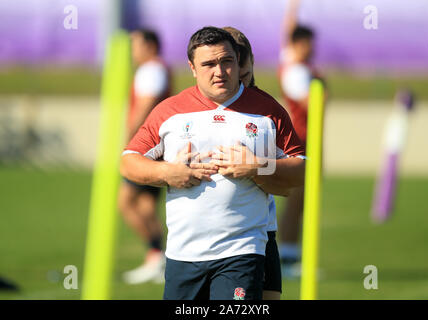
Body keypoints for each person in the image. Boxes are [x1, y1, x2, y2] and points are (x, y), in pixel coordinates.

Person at [120, 26, 306, 300]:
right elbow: (128, 162)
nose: (219, 71)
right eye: (208, 64)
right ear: (192, 67)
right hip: (183, 253)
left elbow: (303, 169)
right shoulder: (170, 111)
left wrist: (259, 167)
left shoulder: (267, 111)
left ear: (239, 61)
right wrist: (168, 172)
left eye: (227, 62)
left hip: (243, 250)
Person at [223, 26, 283, 300]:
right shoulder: (197, 111)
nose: (241, 85)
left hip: (262, 231)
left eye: (245, 76)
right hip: (214, 239)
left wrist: (258, 167)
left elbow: (292, 173)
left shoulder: (266, 111)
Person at [118, 29, 171, 285]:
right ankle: (158, 259)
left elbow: (145, 106)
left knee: (126, 201)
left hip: (147, 148)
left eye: (136, 45)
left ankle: (156, 256)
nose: (133, 51)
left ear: (150, 46)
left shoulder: (151, 69)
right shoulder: (156, 68)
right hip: (156, 147)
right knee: (146, 204)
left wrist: (130, 143)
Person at [278, 0, 324, 277]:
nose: (314, 48)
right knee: (297, 199)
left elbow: (288, 31)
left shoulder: (291, 60)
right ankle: (289, 257)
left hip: (306, 139)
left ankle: (291, 255)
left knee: (302, 200)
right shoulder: (297, 70)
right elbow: (312, 104)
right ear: (302, 43)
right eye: (310, 43)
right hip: (302, 140)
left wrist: (292, 8)